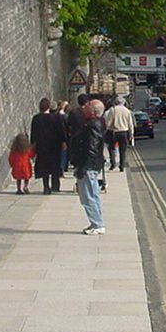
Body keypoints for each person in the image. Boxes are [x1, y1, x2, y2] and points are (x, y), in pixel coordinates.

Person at [69, 98, 106, 234]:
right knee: (93, 195)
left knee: (87, 196)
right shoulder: (93, 124)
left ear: (93, 111)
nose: (85, 106)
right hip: (89, 165)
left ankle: (97, 224)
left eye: (88, 105)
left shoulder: (93, 126)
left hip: (88, 166)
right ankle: (96, 223)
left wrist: (83, 167)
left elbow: (91, 148)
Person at [30, 98, 66, 194]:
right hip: (54, 145)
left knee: (44, 166)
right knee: (55, 165)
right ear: (49, 107)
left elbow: (33, 133)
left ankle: (46, 187)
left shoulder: (36, 118)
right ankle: (55, 186)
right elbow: (61, 131)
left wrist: (33, 144)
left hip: (42, 146)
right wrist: (63, 142)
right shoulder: (56, 118)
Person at [102, 96, 135, 171]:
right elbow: (130, 124)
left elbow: (108, 122)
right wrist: (131, 134)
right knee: (122, 150)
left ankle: (113, 164)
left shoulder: (112, 110)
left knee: (111, 148)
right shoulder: (127, 111)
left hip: (113, 131)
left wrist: (104, 131)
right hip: (124, 132)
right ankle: (122, 165)